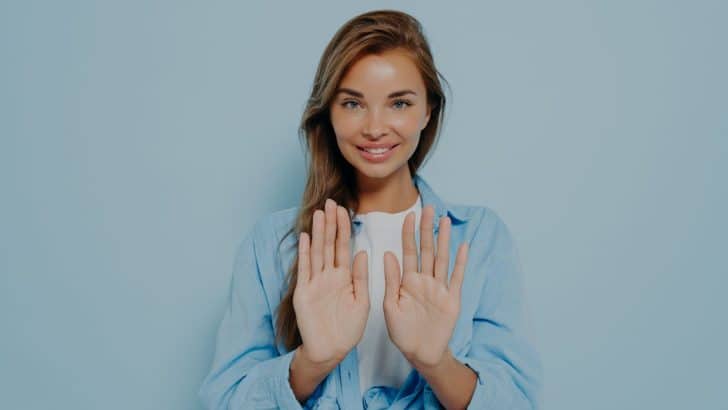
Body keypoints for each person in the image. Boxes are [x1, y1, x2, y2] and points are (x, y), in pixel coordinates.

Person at [198, 9, 542, 409]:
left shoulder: (480, 237)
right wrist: (313, 361)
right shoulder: (271, 245)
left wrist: (436, 362)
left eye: (399, 103)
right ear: (328, 112)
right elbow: (223, 401)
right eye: (352, 104)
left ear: (428, 110)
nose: (375, 127)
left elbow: (518, 402)